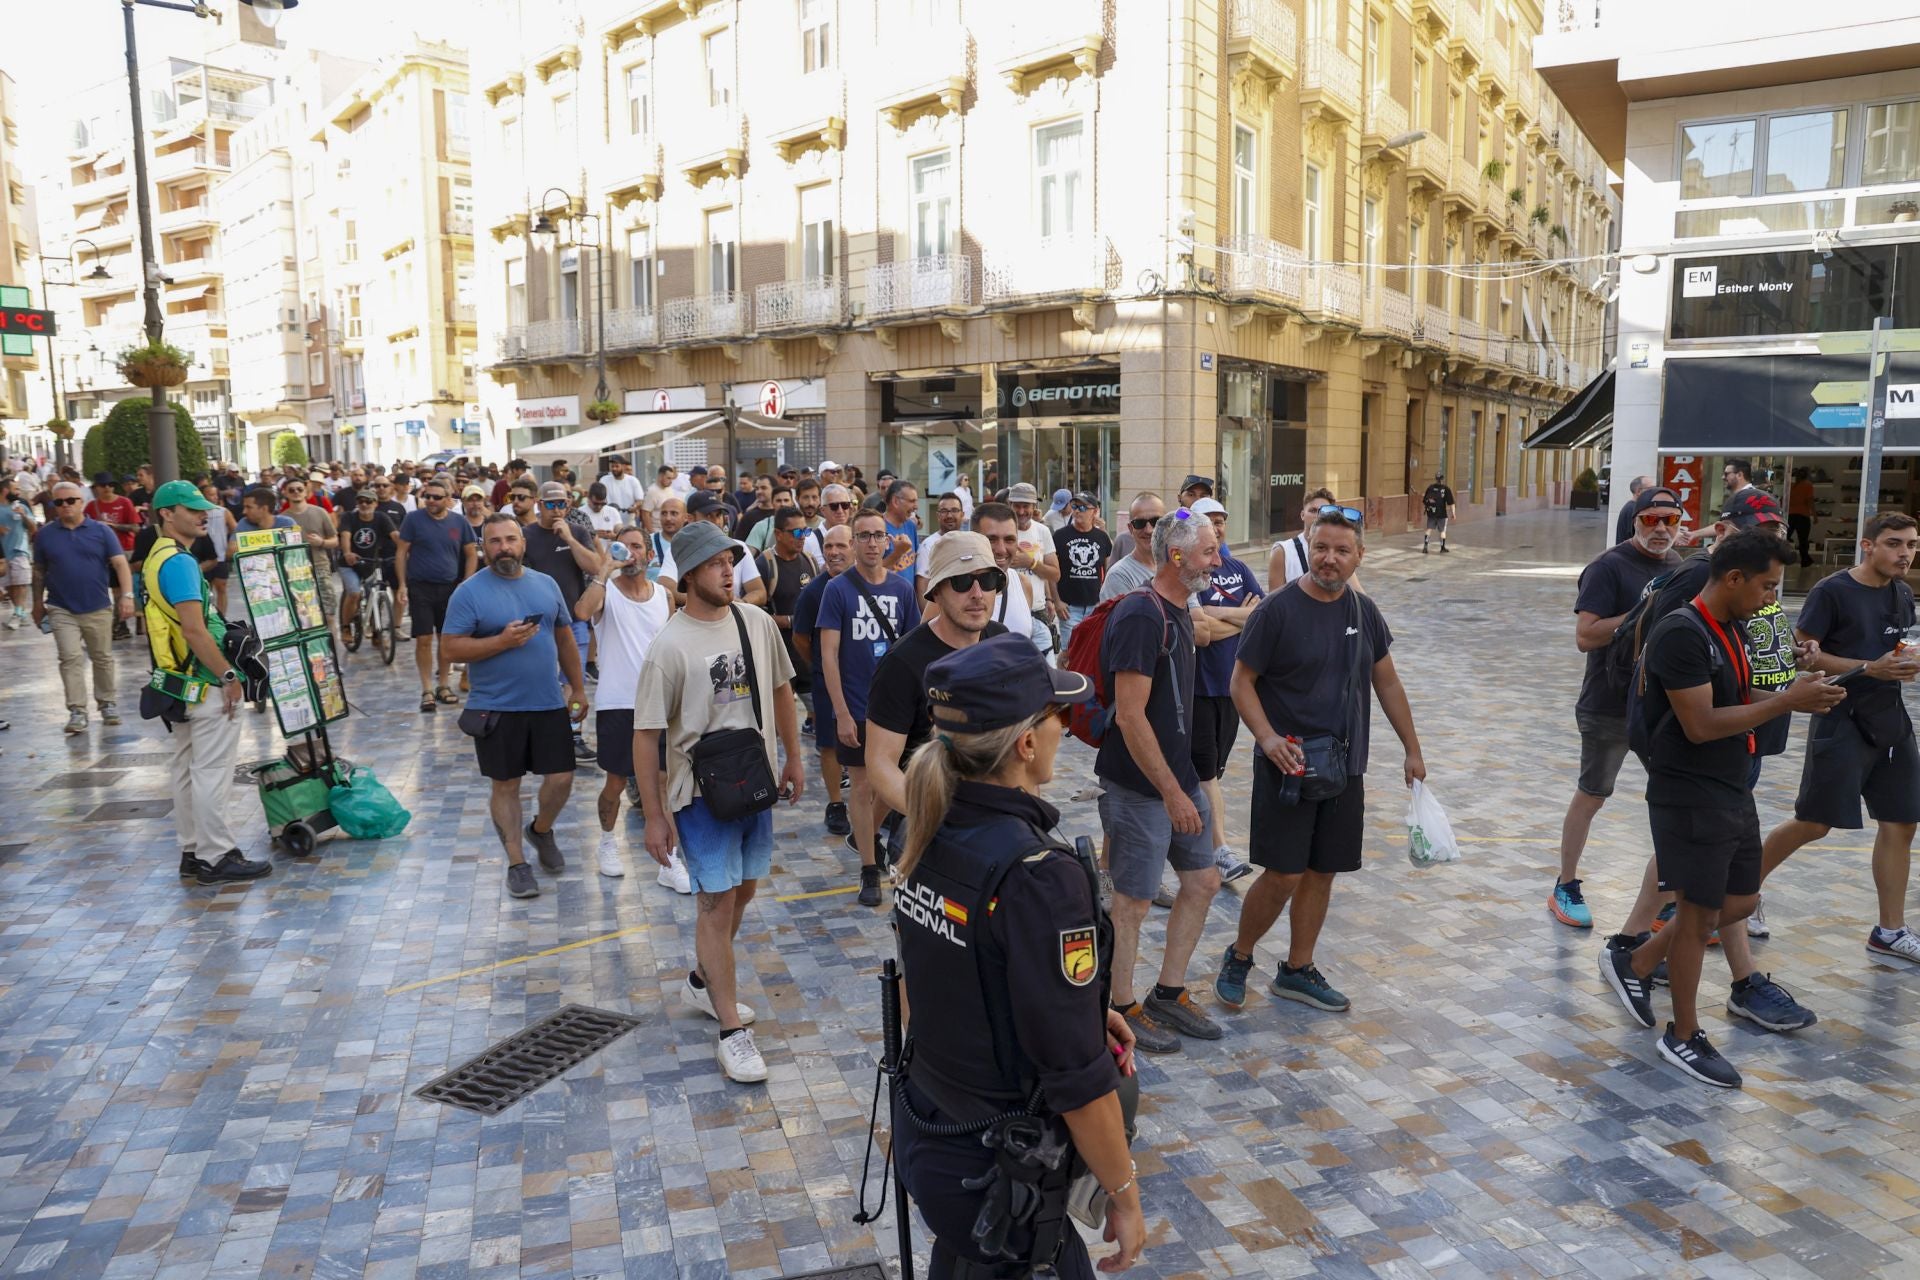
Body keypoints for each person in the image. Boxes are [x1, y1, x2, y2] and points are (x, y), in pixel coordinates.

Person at [890, 633, 1143, 1280]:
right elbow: (1078, 1078)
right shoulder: (1036, 875)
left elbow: (938, 986)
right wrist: (1124, 1194)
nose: (1065, 725)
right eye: (1055, 715)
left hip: (938, 1141)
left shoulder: (930, 825)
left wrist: (1077, 1012)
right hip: (1003, 1179)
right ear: (1027, 742)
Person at [1600, 533, 1846, 1088]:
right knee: (1695, 915)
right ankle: (1682, 1035)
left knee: (1739, 901)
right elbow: (1701, 724)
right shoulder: (1682, 634)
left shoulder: (1730, 628)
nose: (1771, 599)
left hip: (1731, 784)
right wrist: (1786, 701)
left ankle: (1636, 963)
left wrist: (1801, 687)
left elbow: (1741, 699)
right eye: (1767, 586)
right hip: (1689, 792)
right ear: (1733, 578)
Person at [1217, 506, 1425, 1016]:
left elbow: (1387, 681)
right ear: (1308, 546)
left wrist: (1413, 749)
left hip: (1343, 767)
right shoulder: (1277, 610)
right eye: (1321, 548)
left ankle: (1297, 969)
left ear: (1359, 556)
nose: (1329, 559)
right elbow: (1240, 683)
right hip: (1288, 766)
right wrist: (1266, 739)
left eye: (1341, 550)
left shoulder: (1363, 611)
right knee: (1283, 873)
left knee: (1322, 871)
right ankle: (1239, 957)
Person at [633, 520, 806, 1084]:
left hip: (751, 782)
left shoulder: (754, 622)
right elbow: (646, 735)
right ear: (688, 574)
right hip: (699, 793)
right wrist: (656, 817)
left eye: (730, 560)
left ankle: (705, 982)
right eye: (714, 563)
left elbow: (783, 689)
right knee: (715, 902)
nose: (728, 570)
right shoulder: (668, 646)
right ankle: (733, 1032)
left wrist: (795, 759)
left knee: (744, 890)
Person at [1760, 512, 1920, 966]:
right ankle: (1740, 893)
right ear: (1867, 546)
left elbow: (1893, 651)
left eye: (1911, 545)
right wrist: (1868, 668)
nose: (1904, 553)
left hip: (1889, 719)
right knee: (1814, 822)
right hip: (1839, 717)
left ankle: (1890, 930)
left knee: (1902, 822)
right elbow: (1803, 658)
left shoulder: (1902, 593)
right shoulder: (1832, 591)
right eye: (1894, 543)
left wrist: (1904, 662)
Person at [1099, 508, 1224, 1055]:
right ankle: (1119, 1006)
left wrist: (1184, 783)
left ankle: (1168, 994)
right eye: (1208, 552)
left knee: (1203, 882)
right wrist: (1172, 793)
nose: (1216, 561)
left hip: (1180, 778)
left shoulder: (1179, 609)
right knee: (1133, 900)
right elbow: (1129, 716)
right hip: (1140, 787)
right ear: (1177, 557)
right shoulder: (1140, 616)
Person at [1551, 487, 1685, 927]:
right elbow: (1585, 636)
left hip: (1663, 706)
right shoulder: (1608, 567)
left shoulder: (1680, 567)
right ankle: (1565, 885)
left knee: (1674, 799)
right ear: (1635, 521)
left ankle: (1670, 897)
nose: (1662, 528)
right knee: (1593, 793)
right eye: (1652, 520)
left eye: (1671, 519)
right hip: (1609, 704)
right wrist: (1644, 615)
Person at [441, 512, 589, 900]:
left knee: (562, 779)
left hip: (546, 703)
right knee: (505, 785)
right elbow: (451, 648)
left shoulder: (546, 584)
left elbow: (565, 637)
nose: (503, 548)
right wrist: (500, 642)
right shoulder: (469, 592)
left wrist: (577, 686)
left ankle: (540, 830)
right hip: (495, 708)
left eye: (510, 539)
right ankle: (517, 863)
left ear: (523, 544)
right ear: (483, 547)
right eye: (494, 541)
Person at [140, 481, 272, 886]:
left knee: (186, 769)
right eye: (192, 509)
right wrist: (229, 676)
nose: (204, 515)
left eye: (205, 508)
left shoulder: (156, 556)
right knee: (212, 771)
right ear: (166, 514)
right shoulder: (179, 562)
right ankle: (217, 857)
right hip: (204, 681)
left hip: (178, 682)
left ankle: (193, 852)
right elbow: (196, 631)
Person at [865, 532, 1008, 835]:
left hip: (997, 820)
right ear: (937, 592)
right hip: (929, 829)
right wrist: (937, 813)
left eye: (987, 581)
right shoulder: (903, 663)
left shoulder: (1002, 641)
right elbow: (880, 763)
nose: (977, 593)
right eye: (961, 582)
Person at [819, 509, 922, 905]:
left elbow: (913, 648)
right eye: (864, 536)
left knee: (892, 783)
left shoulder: (901, 590)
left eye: (879, 536)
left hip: (895, 709)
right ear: (855, 542)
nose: (873, 543)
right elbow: (829, 655)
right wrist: (842, 713)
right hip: (857, 706)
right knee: (861, 785)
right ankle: (868, 869)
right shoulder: (838, 590)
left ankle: (868, 840)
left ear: (888, 540)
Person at [576, 524, 683, 887]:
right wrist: (604, 570)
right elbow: (580, 611)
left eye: (637, 547)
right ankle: (607, 841)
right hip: (618, 702)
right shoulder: (606, 593)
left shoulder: (662, 596)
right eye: (622, 548)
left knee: (667, 782)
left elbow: (672, 646)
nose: (630, 554)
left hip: (660, 703)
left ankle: (669, 862)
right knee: (616, 781)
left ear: (649, 554)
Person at [1187, 497, 1262, 883]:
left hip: (1232, 688)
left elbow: (1264, 615)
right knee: (1205, 775)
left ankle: (1191, 835)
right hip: (1197, 687)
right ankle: (1220, 850)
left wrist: (1220, 615)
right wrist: (1241, 617)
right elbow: (1202, 634)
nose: (1217, 527)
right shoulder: (1192, 574)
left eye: (1221, 521)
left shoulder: (1237, 568)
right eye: (1209, 521)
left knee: (1212, 771)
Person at [32, 480, 135, 733]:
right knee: (70, 658)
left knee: (102, 657)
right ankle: (77, 709)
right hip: (60, 607)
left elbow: (120, 563)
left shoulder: (101, 531)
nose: (65, 506)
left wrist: (127, 596)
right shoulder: (45, 534)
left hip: (97, 605)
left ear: (81, 503)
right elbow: (39, 572)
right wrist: (36, 603)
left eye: (70, 500)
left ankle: (107, 703)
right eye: (59, 502)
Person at [522, 480, 604, 759]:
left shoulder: (578, 532)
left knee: (574, 679)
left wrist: (569, 539)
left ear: (569, 505)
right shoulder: (526, 535)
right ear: (539, 504)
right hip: (537, 623)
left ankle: (574, 735)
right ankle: (540, 734)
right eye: (550, 504)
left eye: (561, 504)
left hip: (574, 619)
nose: (556, 510)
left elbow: (595, 567)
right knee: (540, 678)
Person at [395, 478, 479, 713]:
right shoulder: (413, 519)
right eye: (427, 496)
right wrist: (402, 584)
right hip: (420, 586)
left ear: (448, 499)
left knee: (447, 639)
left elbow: (471, 554)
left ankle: (444, 685)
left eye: (436, 497)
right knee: (423, 639)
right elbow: (401, 553)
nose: (430, 501)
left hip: (450, 588)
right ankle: (427, 689)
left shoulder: (459, 522)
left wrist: (466, 583)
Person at [793, 525, 854, 838]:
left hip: (864, 679)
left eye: (840, 545)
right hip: (826, 682)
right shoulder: (813, 592)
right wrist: (821, 666)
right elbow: (800, 638)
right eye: (828, 546)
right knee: (829, 745)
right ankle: (836, 804)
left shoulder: (866, 585)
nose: (833, 552)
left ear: (853, 547)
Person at [656, 492, 767, 607]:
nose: (716, 521)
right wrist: (712, 602)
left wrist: (741, 604)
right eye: (708, 515)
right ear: (690, 518)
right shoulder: (682, 550)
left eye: (718, 515)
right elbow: (666, 588)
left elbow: (759, 592)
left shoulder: (739, 547)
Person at [754, 508, 816, 707]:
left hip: (807, 657)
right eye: (797, 532)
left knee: (820, 715)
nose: (802, 537)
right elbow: (753, 615)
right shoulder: (764, 565)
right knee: (780, 725)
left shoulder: (810, 561)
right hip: (778, 660)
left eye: (805, 531)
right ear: (778, 534)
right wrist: (788, 620)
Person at [280, 477, 341, 642]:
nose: (296, 493)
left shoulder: (319, 512)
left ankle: (334, 658)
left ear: (306, 492)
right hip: (295, 573)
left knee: (328, 615)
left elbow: (335, 540)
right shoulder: (282, 519)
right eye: (291, 490)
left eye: (299, 489)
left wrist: (321, 542)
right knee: (304, 618)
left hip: (320, 567)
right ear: (285, 493)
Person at [1004, 483, 1061, 657]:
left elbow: (1055, 574)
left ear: (1034, 507)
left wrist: (1031, 563)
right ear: (1010, 504)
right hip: (1009, 614)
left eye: (1026, 506)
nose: (1021, 511)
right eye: (1017, 506)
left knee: (1048, 675)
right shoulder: (1002, 532)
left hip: (1037, 614)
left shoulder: (1042, 531)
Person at [337, 489, 400, 642]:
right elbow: (345, 536)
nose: (364, 504)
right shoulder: (349, 517)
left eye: (368, 501)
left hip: (371, 563)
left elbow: (395, 535)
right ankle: (345, 628)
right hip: (349, 564)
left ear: (376, 504)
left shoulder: (381, 518)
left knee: (376, 596)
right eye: (361, 501)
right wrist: (347, 553)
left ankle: (376, 631)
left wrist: (405, 550)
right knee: (354, 593)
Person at [1053, 492, 1111, 653]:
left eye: (1083, 507)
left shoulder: (1102, 537)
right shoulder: (1060, 536)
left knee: (1092, 652)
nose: (1078, 511)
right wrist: (1056, 601)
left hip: (1095, 606)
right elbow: (1052, 572)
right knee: (1069, 653)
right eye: (1075, 506)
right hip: (1069, 608)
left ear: (1095, 511)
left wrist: (1104, 602)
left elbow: (1109, 571)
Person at [1266, 489, 1338, 590]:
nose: (1319, 516)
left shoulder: (1339, 552)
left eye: (1325, 511)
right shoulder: (1283, 551)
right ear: (1302, 515)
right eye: (1313, 510)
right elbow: (1273, 602)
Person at [1100, 494, 1165, 601]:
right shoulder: (1118, 576)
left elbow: (1196, 613)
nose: (1149, 530)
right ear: (1130, 529)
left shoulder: (1177, 567)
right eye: (1140, 523)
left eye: (1156, 522)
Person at [912, 492, 967, 597]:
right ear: (938, 516)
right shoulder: (928, 546)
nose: (949, 515)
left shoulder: (970, 543)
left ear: (962, 515)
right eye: (944, 511)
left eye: (954, 510)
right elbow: (922, 588)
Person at [0, 476, 37, 629]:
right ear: (5, 490)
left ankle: (18, 612)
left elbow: (33, 528)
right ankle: (19, 614)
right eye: (16, 489)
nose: (18, 492)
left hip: (20, 550)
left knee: (21, 583)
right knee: (9, 585)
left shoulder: (21, 506)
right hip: (2, 555)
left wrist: (23, 515)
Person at [86, 473, 139, 553]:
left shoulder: (125, 502)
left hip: (124, 548)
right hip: (101, 549)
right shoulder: (91, 506)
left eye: (110, 484)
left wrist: (113, 526)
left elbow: (136, 528)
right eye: (103, 485)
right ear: (96, 487)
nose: (107, 487)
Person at [598, 455, 645, 521]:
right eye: (612, 466)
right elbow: (600, 498)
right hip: (609, 520)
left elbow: (640, 500)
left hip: (629, 521)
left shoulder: (633, 481)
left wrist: (634, 507)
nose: (614, 469)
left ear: (623, 467)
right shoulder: (604, 480)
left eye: (617, 466)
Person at [649, 495, 686, 579]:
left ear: (685, 517)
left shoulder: (693, 544)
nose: (668, 518)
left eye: (674, 513)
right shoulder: (647, 542)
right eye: (664, 513)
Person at [1614, 475, 1656, 545]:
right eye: (1650, 488)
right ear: (1639, 491)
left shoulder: (1632, 507)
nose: (1654, 491)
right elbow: (1643, 537)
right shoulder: (1633, 510)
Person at [1786, 468, 1816, 567]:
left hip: (1791, 515)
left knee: (1786, 537)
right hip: (1803, 515)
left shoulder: (1792, 486)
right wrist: (1814, 515)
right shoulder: (1808, 485)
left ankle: (1781, 557)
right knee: (1803, 540)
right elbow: (1810, 501)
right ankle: (1805, 560)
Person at [1420, 477, 1456, 554]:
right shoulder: (1446, 488)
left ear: (1436, 479)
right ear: (1442, 479)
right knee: (1442, 531)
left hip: (1431, 513)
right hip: (1442, 514)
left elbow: (1424, 500)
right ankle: (1442, 548)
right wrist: (1453, 513)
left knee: (1429, 529)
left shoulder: (1430, 487)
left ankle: (1425, 547)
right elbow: (1451, 503)